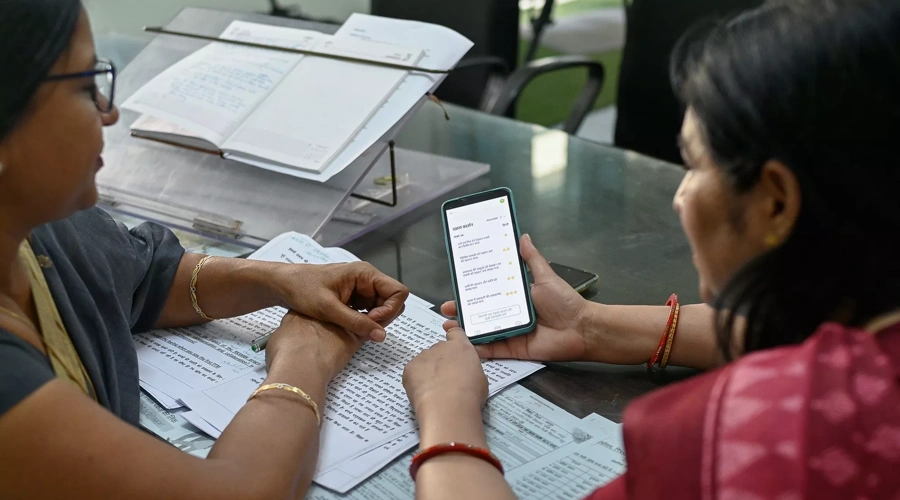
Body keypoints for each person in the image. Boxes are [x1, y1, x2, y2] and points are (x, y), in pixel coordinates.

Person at [403, 0, 900, 498]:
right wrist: (590, 327)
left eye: (695, 164)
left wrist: (447, 412)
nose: (680, 196)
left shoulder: (736, 435)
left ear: (775, 202)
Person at [0, 1, 411, 498]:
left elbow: (144, 277)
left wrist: (280, 280)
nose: (110, 112)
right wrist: (305, 359)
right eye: (87, 86)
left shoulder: (39, 228)